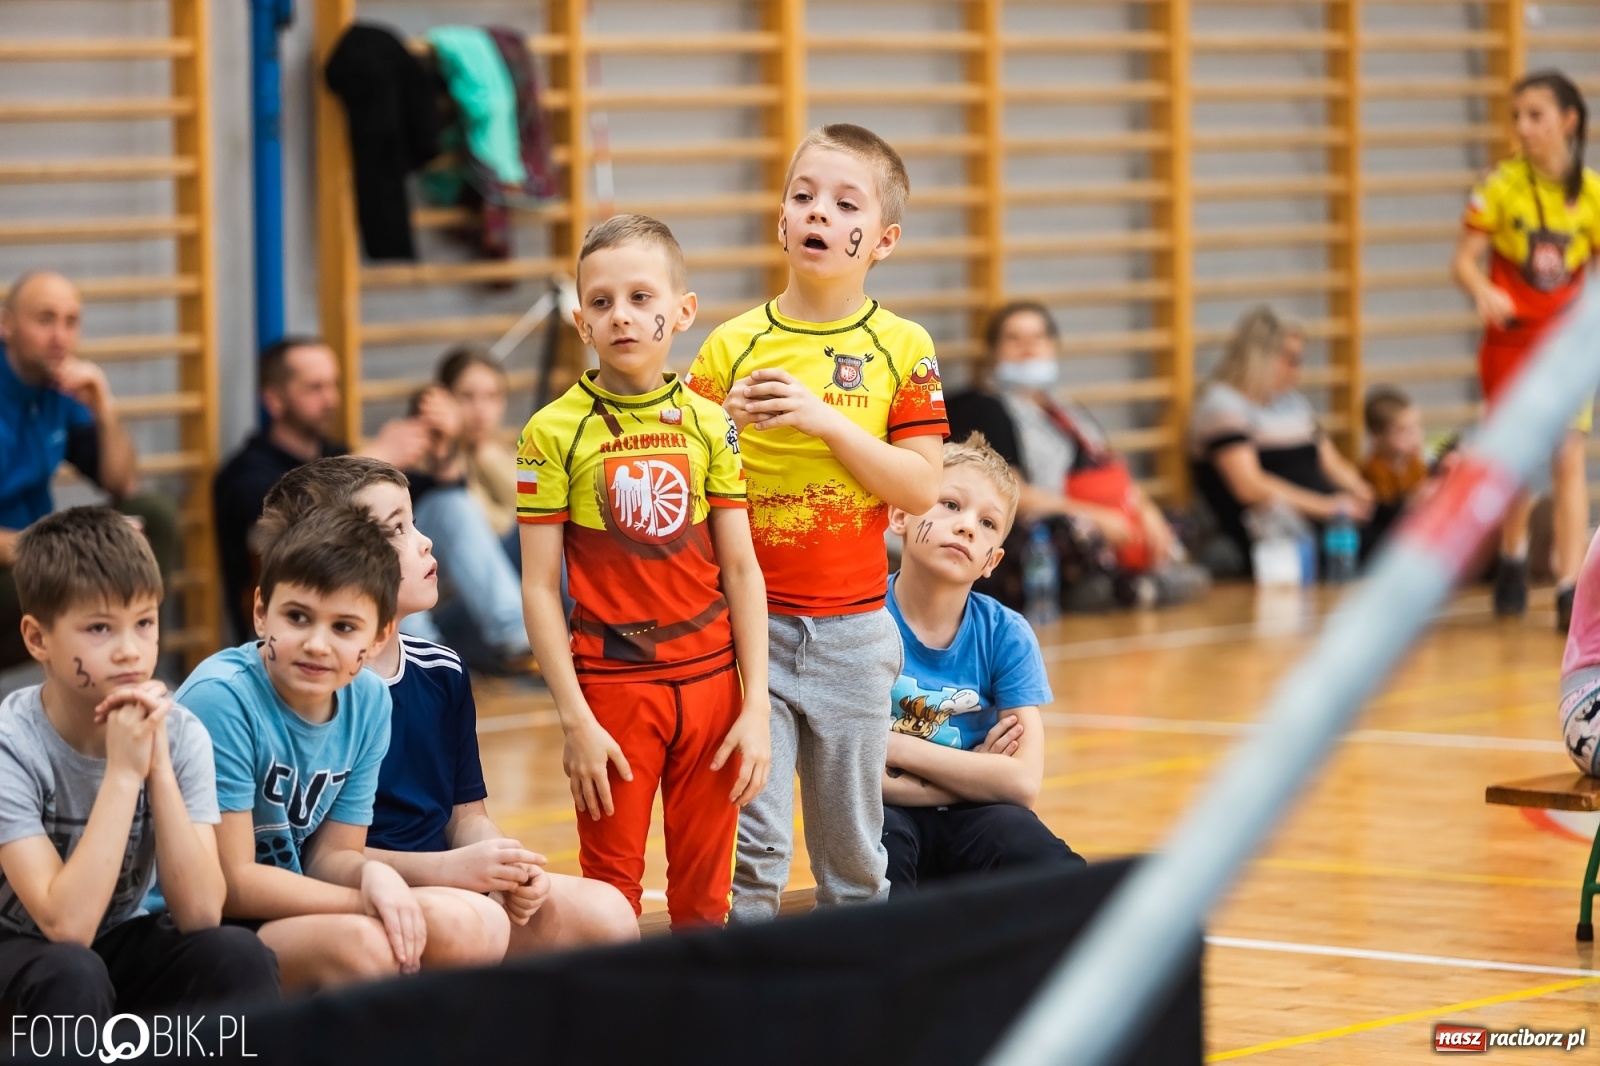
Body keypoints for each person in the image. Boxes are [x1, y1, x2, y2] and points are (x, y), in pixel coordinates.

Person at [686, 124, 948, 920]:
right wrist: (716, 428)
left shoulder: (904, 346)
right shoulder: (732, 344)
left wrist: (825, 421)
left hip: (855, 635)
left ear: (884, 239)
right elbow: (681, 482)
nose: (819, 215)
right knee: (754, 851)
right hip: (745, 632)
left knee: (853, 855)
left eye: (843, 203)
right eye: (803, 197)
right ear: (780, 220)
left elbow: (922, 485)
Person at [258, 457, 639, 951]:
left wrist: (503, 864)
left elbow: (466, 816)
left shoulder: (442, 670)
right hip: (359, 891)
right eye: (398, 528)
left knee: (609, 916)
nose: (424, 540)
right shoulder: (311, 686)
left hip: (448, 880)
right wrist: (451, 872)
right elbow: (325, 859)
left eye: (414, 521)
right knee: (473, 923)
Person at [519, 215, 771, 929]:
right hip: (612, 694)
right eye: (601, 303)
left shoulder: (711, 423)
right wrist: (575, 720)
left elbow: (742, 570)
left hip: (714, 691)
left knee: (704, 901)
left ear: (683, 311)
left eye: (639, 296)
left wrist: (755, 706)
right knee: (610, 901)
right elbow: (538, 587)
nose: (621, 316)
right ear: (580, 322)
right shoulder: (550, 433)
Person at [175, 508, 508, 991]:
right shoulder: (220, 698)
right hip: (193, 928)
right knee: (371, 943)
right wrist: (366, 897)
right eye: (297, 617)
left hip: (277, 913)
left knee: (459, 926)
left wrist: (371, 876)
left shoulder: (369, 702)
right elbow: (233, 882)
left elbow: (333, 856)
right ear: (260, 611)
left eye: (344, 627)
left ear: (378, 638)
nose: (316, 644)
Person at [0, 508, 279, 1018]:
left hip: (112, 945)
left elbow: (199, 913)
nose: (130, 651)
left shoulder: (181, 733)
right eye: (100, 628)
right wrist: (125, 773)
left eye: (145, 622)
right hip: (19, 954)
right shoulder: (11, 746)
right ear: (38, 639)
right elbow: (66, 927)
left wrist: (157, 767)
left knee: (237, 954)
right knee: (72, 971)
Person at [213, 337, 534, 672]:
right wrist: (377, 457)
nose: (331, 398)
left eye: (333, 385)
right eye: (314, 387)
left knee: (447, 505)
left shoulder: (336, 451)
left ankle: (514, 638)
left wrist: (443, 458)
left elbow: (439, 495)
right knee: (380, 537)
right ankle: (423, 665)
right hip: (311, 632)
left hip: (403, 619)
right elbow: (291, 517)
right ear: (275, 400)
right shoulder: (244, 473)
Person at [880, 437, 1084, 892]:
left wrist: (894, 747)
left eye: (987, 523)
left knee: (1048, 862)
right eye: (949, 504)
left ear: (992, 561)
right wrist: (974, 774)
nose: (967, 527)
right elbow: (848, 771)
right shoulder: (860, 620)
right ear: (900, 516)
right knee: (877, 846)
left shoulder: (1006, 633)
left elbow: (1021, 784)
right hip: (886, 816)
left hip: (977, 818)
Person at [1453, 70, 1600, 630]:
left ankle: (1568, 586)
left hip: (1565, 346)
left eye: (1535, 115)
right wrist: (1481, 287)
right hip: (1509, 344)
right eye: (1516, 116)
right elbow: (1463, 260)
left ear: (1569, 120)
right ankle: (1511, 555)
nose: (1523, 127)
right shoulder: (1498, 185)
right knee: (1514, 463)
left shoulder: (1591, 194)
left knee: (1567, 458)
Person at [946, 302, 1209, 611]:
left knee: (1178, 520)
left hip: (1101, 507)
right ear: (992, 352)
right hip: (1055, 516)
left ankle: (1129, 582)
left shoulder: (1064, 408)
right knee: (1067, 533)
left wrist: (1147, 513)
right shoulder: (985, 408)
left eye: (1038, 338)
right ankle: (1125, 586)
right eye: (1014, 339)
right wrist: (1097, 517)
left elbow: (1108, 468)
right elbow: (1013, 494)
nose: (1028, 348)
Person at [0, 271, 178, 670]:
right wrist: (53, 549)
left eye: (71, 321)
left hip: (32, 554)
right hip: (12, 564)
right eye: (45, 319)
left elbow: (121, 483)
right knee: (87, 581)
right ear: (6, 325)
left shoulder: (56, 387)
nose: (60, 337)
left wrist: (103, 405)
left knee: (153, 516)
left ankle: (135, 675)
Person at [1186, 306, 1374, 574]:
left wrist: (1359, 490)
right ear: (1261, 357)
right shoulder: (1222, 406)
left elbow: (1331, 463)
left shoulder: (1292, 402)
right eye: (1291, 360)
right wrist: (1328, 508)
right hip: (1276, 530)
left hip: (1327, 518)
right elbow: (1250, 487)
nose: (1298, 370)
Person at [437, 346, 520, 569]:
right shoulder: (438, 462)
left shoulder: (508, 453)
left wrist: (486, 456)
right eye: (467, 397)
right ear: (444, 398)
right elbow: (489, 529)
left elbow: (535, 506)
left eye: (492, 397)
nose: (480, 410)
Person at [1360, 387, 1429, 553]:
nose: (1414, 436)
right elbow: (1385, 517)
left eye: (1417, 428)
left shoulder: (1417, 466)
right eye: (1403, 430)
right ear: (1378, 435)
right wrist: (1411, 501)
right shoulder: (1372, 471)